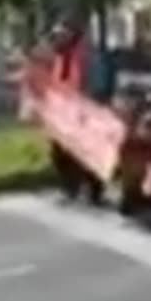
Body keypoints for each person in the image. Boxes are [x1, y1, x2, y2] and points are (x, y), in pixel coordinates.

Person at [47, 15, 111, 207]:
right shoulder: (60, 57)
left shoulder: (87, 56)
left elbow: (97, 86)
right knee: (60, 153)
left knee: (87, 154)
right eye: (56, 35)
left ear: (73, 35)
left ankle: (94, 193)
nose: (57, 39)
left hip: (84, 113)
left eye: (61, 35)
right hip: (63, 114)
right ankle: (70, 189)